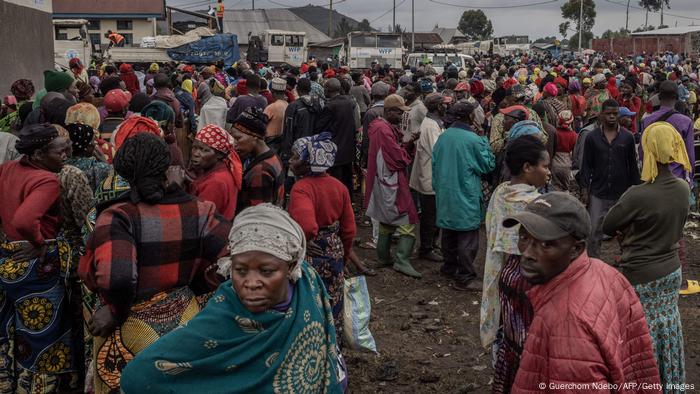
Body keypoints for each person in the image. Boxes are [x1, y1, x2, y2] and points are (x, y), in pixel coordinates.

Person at [120, 203, 345, 393]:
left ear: (291, 267)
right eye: (240, 270)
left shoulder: (307, 284)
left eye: (266, 271)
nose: (251, 282)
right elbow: (140, 374)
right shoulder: (224, 312)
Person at [78, 133, 231, 394]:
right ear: (166, 168)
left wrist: (115, 311)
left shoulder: (117, 216)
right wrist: (200, 287)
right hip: (186, 322)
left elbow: (118, 277)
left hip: (129, 328)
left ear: (124, 172)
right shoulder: (200, 210)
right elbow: (233, 255)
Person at [503, 192, 661, 392]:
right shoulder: (603, 271)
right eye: (524, 237)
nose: (526, 253)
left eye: (546, 244)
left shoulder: (565, 321)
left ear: (576, 249)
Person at [602, 122, 691, 390]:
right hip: (671, 273)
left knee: (642, 336)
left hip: (640, 276)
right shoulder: (683, 189)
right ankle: (670, 383)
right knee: (668, 330)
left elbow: (608, 225)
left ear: (647, 152)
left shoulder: (636, 195)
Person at [0, 123, 79, 392]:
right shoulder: (46, 180)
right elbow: (24, 219)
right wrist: (38, 243)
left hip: (8, 258)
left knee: (13, 329)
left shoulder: (8, 169)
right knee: (43, 334)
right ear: (38, 155)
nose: (65, 157)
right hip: (36, 267)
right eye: (60, 152)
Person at [481, 136, 549, 394]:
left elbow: (491, 230)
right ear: (527, 167)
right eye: (544, 165)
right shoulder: (537, 204)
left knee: (509, 334)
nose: (548, 171)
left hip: (502, 273)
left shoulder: (500, 192)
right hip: (528, 278)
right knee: (529, 338)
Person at [287, 132, 355, 338]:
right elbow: (349, 228)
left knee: (309, 299)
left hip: (312, 251)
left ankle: (310, 341)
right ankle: (333, 343)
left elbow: (306, 226)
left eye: (295, 157)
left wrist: (303, 243)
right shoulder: (339, 186)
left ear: (307, 162)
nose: (290, 161)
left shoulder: (301, 188)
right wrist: (343, 254)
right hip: (333, 249)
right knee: (333, 298)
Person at [432, 102, 495, 290]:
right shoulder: (473, 139)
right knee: (467, 237)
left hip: (445, 192)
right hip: (465, 193)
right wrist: (484, 139)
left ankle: (449, 267)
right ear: (470, 117)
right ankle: (465, 276)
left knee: (449, 232)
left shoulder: (444, 137)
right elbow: (487, 165)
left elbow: (434, 164)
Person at [365, 94, 421, 278]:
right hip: (390, 181)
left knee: (386, 219)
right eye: (399, 112)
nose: (402, 116)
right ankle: (401, 260)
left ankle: (383, 257)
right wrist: (408, 146)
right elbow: (397, 158)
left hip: (382, 180)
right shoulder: (383, 129)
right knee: (407, 219)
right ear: (389, 111)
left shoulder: (380, 127)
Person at [578, 99, 640, 258]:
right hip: (598, 192)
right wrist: (584, 189)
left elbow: (632, 167)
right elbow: (586, 165)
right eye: (608, 114)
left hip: (622, 193)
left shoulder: (627, 138)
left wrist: (635, 190)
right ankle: (593, 264)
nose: (612, 117)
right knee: (593, 233)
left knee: (626, 231)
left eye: (615, 114)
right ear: (601, 115)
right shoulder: (592, 137)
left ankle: (627, 261)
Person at [409, 93, 446, 262]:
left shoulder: (433, 122)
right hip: (429, 177)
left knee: (432, 214)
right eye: (444, 104)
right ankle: (426, 247)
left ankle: (431, 244)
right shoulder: (431, 125)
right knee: (429, 215)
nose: (446, 107)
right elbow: (437, 152)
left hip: (430, 176)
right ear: (438, 107)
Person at [641, 80, 695, 184]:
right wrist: (690, 179)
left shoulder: (647, 121)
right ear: (677, 97)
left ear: (659, 97)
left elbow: (643, 150)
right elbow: (689, 154)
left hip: (654, 176)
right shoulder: (686, 122)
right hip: (677, 178)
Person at [231, 107, 285, 212]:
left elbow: (258, 215)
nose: (234, 145)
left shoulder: (260, 171)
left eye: (238, 138)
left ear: (254, 136)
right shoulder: (273, 157)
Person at [188, 124, 243, 221]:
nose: (195, 154)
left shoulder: (216, 182)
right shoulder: (218, 169)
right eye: (194, 147)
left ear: (219, 154)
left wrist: (176, 189)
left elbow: (198, 219)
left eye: (204, 150)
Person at [316, 78, 358, 194]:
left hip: (335, 149)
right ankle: (349, 201)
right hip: (349, 148)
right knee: (347, 177)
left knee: (336, 180)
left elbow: (320, 127)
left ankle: (338, 203)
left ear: (328, 89)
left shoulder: (329, 106)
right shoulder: (350, 102)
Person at [281, 78, 322, 166]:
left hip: (297, 150)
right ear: (310, 90)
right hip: (313, 148)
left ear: (298, 89)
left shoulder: (293, 106)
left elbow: (289, 131)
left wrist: (286, 155)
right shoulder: (317, 105)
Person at [65, 121, 110, 192]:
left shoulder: (59, 164)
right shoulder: (97, 167)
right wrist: (104, 161)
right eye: (92, 141)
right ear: (86, 145)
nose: (94, 144)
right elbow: (112, 179)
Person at [551, 110, 577, 192]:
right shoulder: (574, 135)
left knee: (555, 187)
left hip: (554, 163)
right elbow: (575, 153)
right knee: (565, 188)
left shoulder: (554, 132)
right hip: (566, 164)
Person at [263, 78, 289, 154]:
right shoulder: (287, 105)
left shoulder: (272, 107)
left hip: (271, 141)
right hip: (282, 139)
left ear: (273, 93)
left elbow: (261, 124)